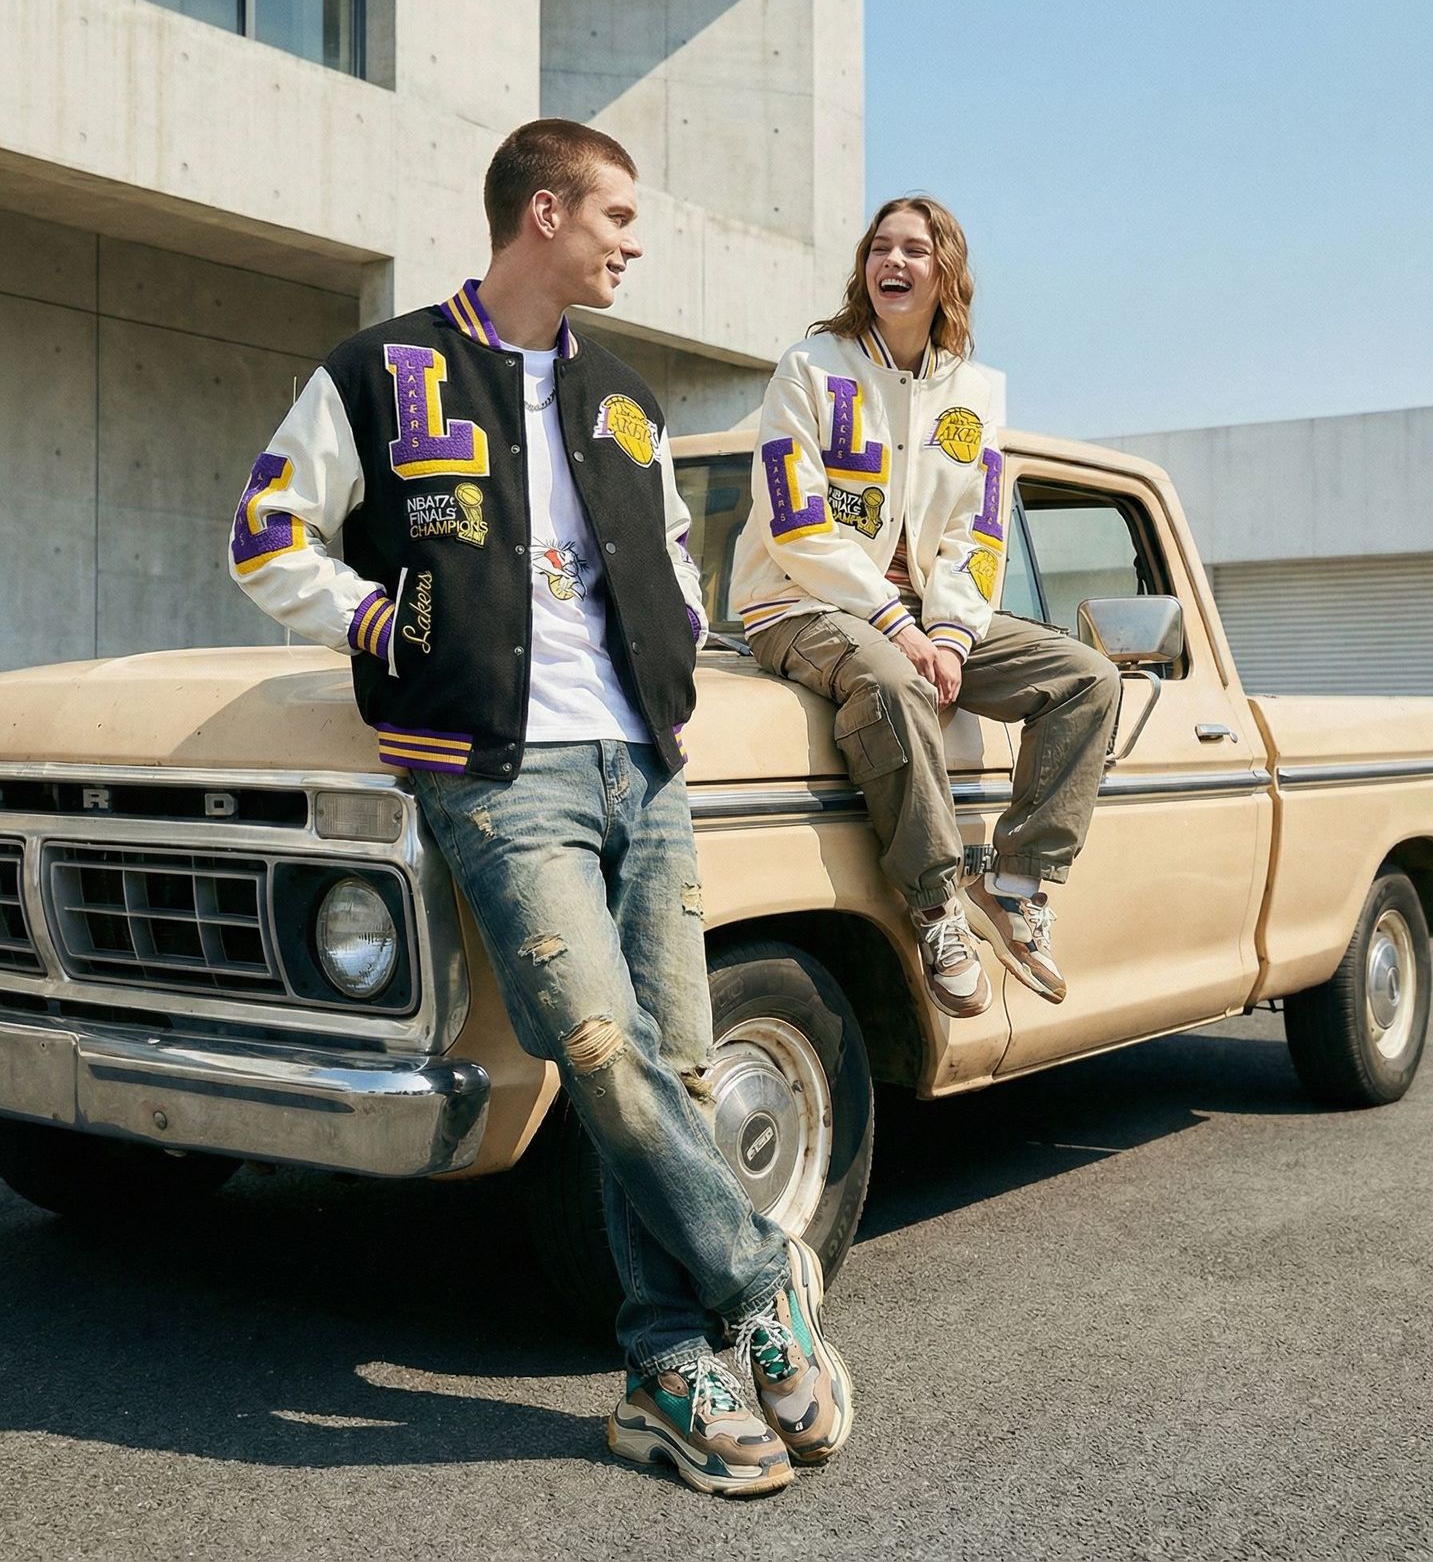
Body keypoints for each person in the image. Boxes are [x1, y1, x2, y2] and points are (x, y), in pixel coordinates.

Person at [228, 119, 852, 1496]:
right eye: (617, 215)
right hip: (499, 774)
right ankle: (760, 1278)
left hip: (646, 763)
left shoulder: (625, 394)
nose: (634, 240)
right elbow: (266, 531)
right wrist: (380, 617)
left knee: (682, 1067)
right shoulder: (379, 371)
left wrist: (676, 656)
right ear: (546, 212)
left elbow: (678, 567)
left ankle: (664, 1369)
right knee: (598, 1047)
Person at [730, 195, 1120, 1017]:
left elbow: (975, 536)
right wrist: (899, 628)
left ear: (946, 270)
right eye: (879, 247)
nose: (892, 263)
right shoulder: (811, 367)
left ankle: (1013, 881)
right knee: (894, 680)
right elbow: (795, 519)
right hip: (796, 602)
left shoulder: (975, 392)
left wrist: (945, 632)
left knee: (1086, 677)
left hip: (923, 620)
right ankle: (938, 901)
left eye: (913, 249)